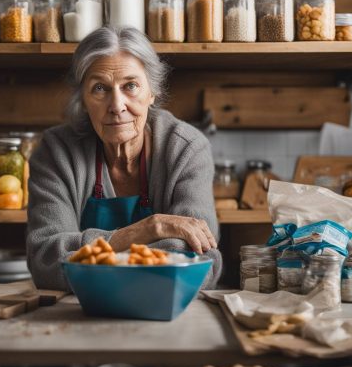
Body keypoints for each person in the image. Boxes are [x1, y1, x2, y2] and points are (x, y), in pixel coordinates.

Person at [27, 26, 221, 290]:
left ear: (151, 92)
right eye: (99, 88)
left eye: (130, 86)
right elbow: (46, 257)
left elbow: (196, 254)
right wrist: (149, 229)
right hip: (80, 313)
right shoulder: (56, 152)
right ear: (83, 100)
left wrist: (87, 258)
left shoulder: (185, 149)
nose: (117, 105)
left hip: (163, 310)